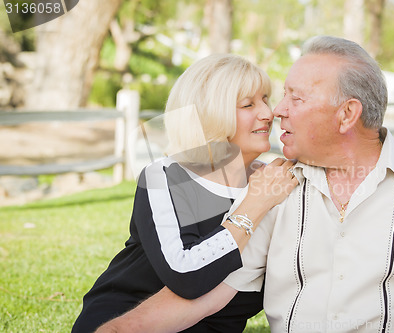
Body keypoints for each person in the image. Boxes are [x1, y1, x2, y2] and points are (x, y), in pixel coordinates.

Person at [96, 36, 394, 333]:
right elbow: (200, 299)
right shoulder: (274, 187)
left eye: (294, 98)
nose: (277, 111)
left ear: (347, 114)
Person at [72, 54, 298, 333]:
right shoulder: (165, 176)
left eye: (265, 98)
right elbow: (186, 275)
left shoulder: (275, 179)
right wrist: (255, 203)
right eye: (248, 104)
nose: (268, 112)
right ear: (210, 114)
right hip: (122, 320)